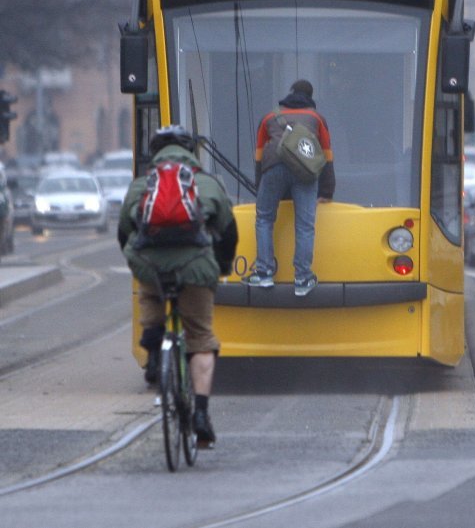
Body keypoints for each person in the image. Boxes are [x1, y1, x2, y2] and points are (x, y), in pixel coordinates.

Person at [117, 125, 238, 447]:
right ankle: (200, 413)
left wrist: (139, 264)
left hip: (151, 264)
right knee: (200, 337)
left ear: (156, 151)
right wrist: (220, 268)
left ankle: (154, 350)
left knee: (150, 288)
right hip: (195, 266)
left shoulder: (142, 185)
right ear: (191, 151)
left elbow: (124, 231)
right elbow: (228, 233)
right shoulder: (208, 184)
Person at [247, 79, 335, 297]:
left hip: (273, 168)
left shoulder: (269, 117)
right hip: (305, 173)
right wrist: (326, 192)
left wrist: (261, 187)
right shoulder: (316, 119)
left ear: (290, 94)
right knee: (305, 225)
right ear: (310, 98)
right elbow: (326, 156)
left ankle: (264, 272)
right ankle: (303, 278)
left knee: (265, 218)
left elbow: (259, 155)